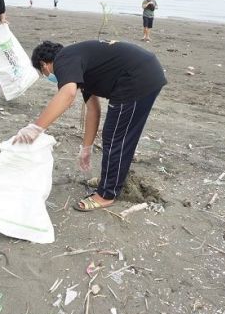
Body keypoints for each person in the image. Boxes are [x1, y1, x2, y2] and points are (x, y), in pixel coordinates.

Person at [13, 40, 167, 211]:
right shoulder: (79, 63)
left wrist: (36, 128)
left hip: (136, 78)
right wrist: (86, 148)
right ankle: (111, 180)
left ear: (44, 64)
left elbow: (68, 94)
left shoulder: (63, 59)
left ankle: (107, 194)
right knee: (116, 135)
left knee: (116, 137)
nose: (47, 76)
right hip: (144, 72)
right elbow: (93, 110)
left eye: (43, 72)